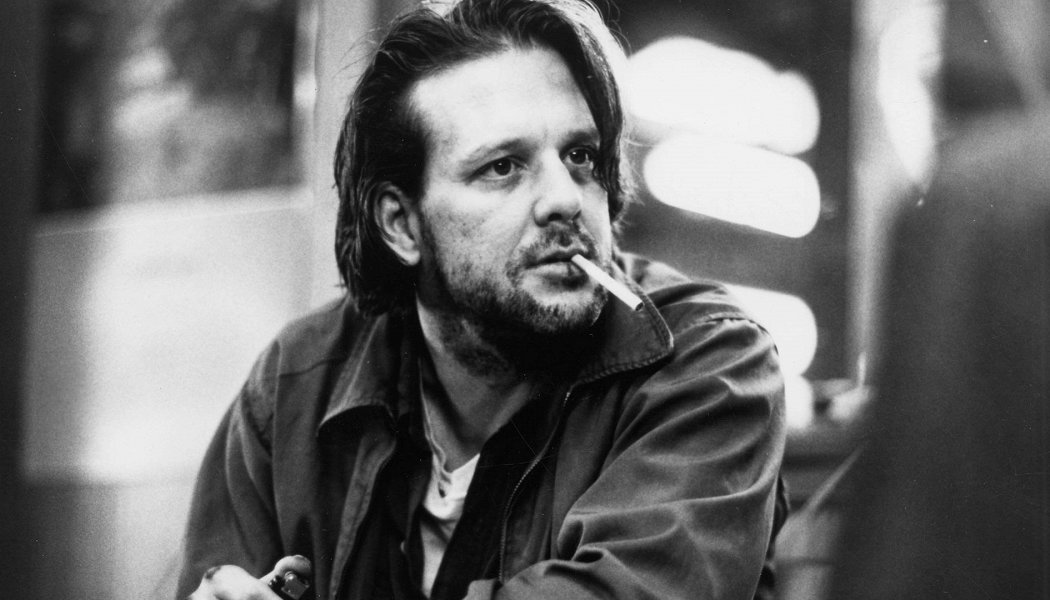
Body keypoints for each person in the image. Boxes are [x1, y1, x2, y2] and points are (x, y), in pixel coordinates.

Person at [177, 0, 787, 599]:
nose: (565, 199)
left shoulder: (706, 361)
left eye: (580, 155)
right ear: (402, 226)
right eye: (502, 167)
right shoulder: (297, 385)